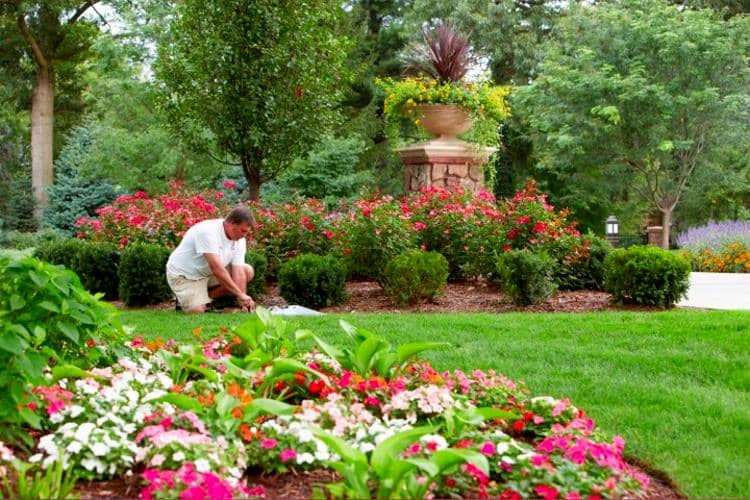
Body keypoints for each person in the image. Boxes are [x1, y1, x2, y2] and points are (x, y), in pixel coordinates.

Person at [166, 207, 256, 313]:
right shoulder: (208, 232)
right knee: (197, 311)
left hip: (207, 273)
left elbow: (239, 272)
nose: (244, 235)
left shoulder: (239, 239)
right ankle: (187, 302)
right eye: (242, 231)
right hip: (186, 276)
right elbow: (217, 269)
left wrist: (243, 302)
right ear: (232, 223)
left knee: (247, 271)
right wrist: (239, 294)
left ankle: (205, 300)